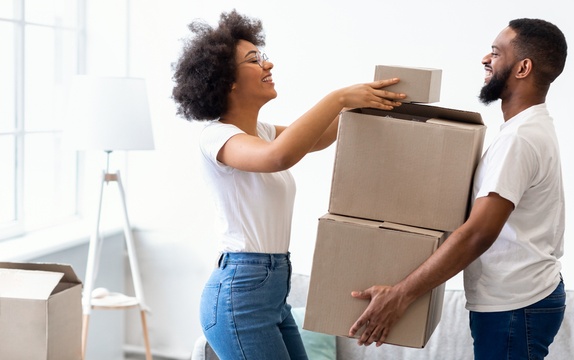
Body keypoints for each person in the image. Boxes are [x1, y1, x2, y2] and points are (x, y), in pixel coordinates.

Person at [171, 9, 405, 360]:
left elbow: (321, 137)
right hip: (241, 293)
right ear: (227, 80)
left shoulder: (262, 133)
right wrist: (338, 98)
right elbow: (278, 157)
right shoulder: (217, 138)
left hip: (272, 288)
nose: (268, 65)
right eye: (254, 60)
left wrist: (371, 104)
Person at [348, 18, 568, 360]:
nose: (485, 58)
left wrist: (401, 294)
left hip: (515, 305)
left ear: (523, 67)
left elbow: (479, 232)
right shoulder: (527, 128)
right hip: (519, 300)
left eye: (496, 53)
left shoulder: (519, 139)